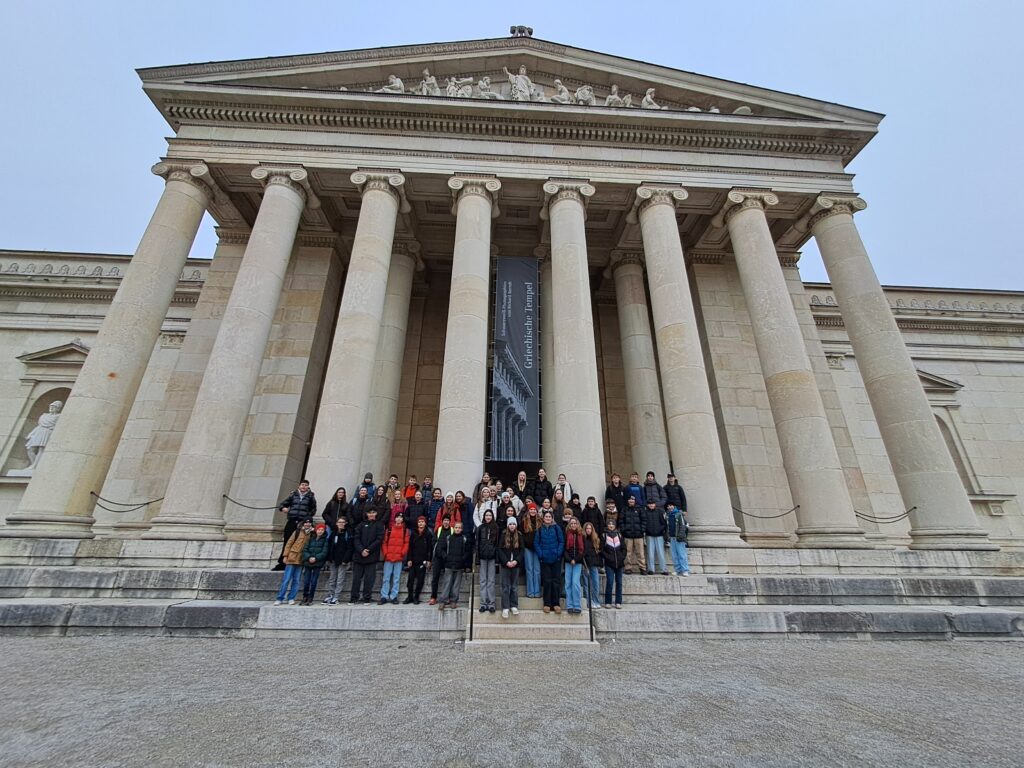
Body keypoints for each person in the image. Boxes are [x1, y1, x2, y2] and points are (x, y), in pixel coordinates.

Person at [275, 480, 317, 570]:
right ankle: (283, 562)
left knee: (300, 542)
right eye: (302, 485)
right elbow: (282, 504)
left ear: (308, 487)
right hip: (292, 520)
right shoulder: (293, 495)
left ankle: (297, 562)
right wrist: (283, 508)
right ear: (299, 486)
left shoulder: (310, 497)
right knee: (287, 541)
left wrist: (307, 517)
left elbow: (313, 509)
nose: (304, 486)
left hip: (302, 522)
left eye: (306, 485)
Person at [349, 508, 384, 604]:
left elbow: (379, 539)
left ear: (376, 513)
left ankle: (367, 597)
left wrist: (368, 550)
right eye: (369, 513)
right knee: (356, 579)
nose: (371, 514)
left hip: (371, 556)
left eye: (373, 512)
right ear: (366, 514)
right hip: (359, 556)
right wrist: (361, 550)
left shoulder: (379, 525)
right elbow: (356, 538)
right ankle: (354, 597)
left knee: (369, 579)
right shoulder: (361, 524)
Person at [275, 519, 313, 604]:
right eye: (306, 523)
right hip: (292, 557)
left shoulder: (311, 534)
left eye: (309, 523)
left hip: (301, 559)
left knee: (296, 580)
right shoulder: (297, 532)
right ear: (303, 523)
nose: (307, 524)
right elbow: (289, 544)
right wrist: (285, 556)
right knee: (286, 579)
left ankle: (291, 597)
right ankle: (280, 598)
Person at [534, 510, 565, 613]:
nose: (548, 518)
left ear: (552, 518)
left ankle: (556, 604)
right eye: (546, 517)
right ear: (543, 518)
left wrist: (558, 553)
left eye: (549, 517)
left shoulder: (557, 528)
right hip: (545, 559)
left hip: (556, 559)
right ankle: (547, 603)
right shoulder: (539, 530)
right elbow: (536, 543)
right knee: (547, 581)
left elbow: (561, 541)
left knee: (556, 581)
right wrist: (541, 554)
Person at [437, 521, 469, 610]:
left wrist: (463, 559)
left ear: (462, 529)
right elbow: (442, 549)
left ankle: (453, 601)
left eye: (459, 528)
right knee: (447, 583)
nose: (457, 529)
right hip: (449, 564)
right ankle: (443, 600)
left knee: (456, 585)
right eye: (456, 527)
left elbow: (467, 551)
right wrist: (445, 557)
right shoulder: (448, 538)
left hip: (459, 565)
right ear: (453, 528)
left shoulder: (464, 539)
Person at [379, 513, 409, 604]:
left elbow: (406, 543)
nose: (399, 519)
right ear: (395, 519)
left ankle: (394, 596)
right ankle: (384, 596)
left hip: (398, 558)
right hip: (389, 557)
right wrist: (386, 553)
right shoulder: (389, 529)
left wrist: (402, 553)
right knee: (386, 578)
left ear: (402, 520)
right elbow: (384, 542)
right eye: (397, 517)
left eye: (401, 517)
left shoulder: (405, 530)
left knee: (396, 579)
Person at [323, 515, 353, 605]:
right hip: (333, 559)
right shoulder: (333, 533)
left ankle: (336, 597)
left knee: (340, 579)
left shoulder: (348, 533)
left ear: (345, 523)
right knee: (332, 578)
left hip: (342, 560)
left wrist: (346, 559)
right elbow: (330, 546)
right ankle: (330, 595)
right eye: (339, 522)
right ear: (336, 523)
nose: (341, 524)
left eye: (343, 522)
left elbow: (350, 548)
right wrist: (329, 558)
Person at [404, 516, 434, 604]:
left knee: (420, 581)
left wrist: (429, 560)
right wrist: (409, 559)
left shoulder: (428, 533)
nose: (421, 523)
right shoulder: (413, 533)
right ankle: (410, 596)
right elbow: (410, 547)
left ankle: (416, 597)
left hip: (422, 561)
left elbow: (430, 548)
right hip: (413, 560)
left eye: (422, 522)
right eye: (419, 522)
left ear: (425, 523)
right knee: (410, 580)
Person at [498, 516, 523, 618]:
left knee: (514, 586)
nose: (512, 526)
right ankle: (505, 607)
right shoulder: (503, 535)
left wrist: (516, 561)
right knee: (505, 586)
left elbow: (522, 550)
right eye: (510, 524)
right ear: (508, 525)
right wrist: (506, 561)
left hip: (515, 564)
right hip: (506, 564)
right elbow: (499, 549)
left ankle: (514, 605)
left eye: (513, 524)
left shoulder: (519, 535)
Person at [475, 508, 499, 613]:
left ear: (492, 517)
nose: (488, 517)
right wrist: (477, 557)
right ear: (484, 517)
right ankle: (483, 603)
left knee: (491, 581)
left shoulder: (496, 528)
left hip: (492, 557)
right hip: (483, 557)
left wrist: (497, 558)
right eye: (486, 515)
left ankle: (491, 604)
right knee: (483, 580)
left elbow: (497, 544)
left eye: (490, 515)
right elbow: (477, 543)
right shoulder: (480, 528)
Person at [300, 522, 329, 605]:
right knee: (306, 581)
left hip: (317, 563)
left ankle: (310, 598)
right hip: (308, 562)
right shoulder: (310, 539)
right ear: (316, 530)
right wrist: (309, 557)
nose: (320, 531)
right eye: (319, 529)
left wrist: (315, 558)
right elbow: (305, 549)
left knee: (313, 582)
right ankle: (305, 597)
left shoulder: (325, 540)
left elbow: (324, 552)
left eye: (322, 530)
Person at [602, 518, 627, 608]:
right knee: (610, 582)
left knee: (619, 583)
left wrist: (621, 557)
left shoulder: (619, 535)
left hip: (619, 563)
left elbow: (624, 549)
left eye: (612, 524)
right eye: (609, 524)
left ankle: (618, 602)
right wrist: (608, 557)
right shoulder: (604, 535)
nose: (611, 525)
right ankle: (608, 602)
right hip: (609, 564)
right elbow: (602, 550)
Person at [519, 502, 542, 598]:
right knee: (529, 569)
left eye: (534, 509)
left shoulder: (540, 521)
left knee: (537, 570)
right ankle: (530, 591)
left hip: (537, 548)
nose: (532, 511)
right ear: (528, 511)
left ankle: (537, 591)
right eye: (531, 509)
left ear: (536, 511)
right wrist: (525, 544)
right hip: (528, 548)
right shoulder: (524, 521)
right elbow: (521, 535)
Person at [429, 515, 453, 605]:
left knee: (448, 579)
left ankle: (447, 597)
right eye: (444, 520)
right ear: (442, 521)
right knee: (435, 578)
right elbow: (434, 542)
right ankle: (433, 597)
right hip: (438, 557)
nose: (446, 522)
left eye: (447, 520)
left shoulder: (452, 530)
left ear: (450, 522)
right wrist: (440, 553)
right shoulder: (438, 530)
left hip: (448, 558)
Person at [563, 517, 585, 614]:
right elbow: (564, 549)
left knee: (575, 583)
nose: (573, 525)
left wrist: (576, 560)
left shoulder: (581, 535)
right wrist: (569, 559)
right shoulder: (566, 534)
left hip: (577, 562)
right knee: (568, 584)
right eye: (571, 523)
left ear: (577, 524)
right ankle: (570, 605)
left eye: (574, 523)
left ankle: (577, 605)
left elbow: (583, 550)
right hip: (568, 562)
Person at [620, 495, 647, 574]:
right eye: (630, 499)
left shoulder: (640, 509)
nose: (631, 501)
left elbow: (644, 520)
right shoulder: (624, 509)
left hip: (639, 535)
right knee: (628, 553)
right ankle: (628, 568)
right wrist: (624, 530)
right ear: (628, 501)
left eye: (632, 499)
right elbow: (621, 521)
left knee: (640, 553)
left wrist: (642, 530)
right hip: (628, 535)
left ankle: (642, 568)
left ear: (635, 501)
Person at [642, 498, 668, 575]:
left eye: (652, 504)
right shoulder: (645, 512)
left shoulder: (660, 511)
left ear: (655, 504)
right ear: (647, 505)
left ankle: (664, 569)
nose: (651, 505)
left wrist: (660, 530)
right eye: (650, 504)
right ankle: (651, 569)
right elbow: (644, 523)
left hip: (659, 535)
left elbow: (664, 523)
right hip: (649, 535)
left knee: (661, 553)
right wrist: (647, 530)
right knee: (650, 553)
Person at [666, 503, 691, 577]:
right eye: (668, 506)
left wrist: (680, 536)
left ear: (674, 506)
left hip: (679, 538)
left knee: (682, 555)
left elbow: (683, 526)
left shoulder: (679, 514)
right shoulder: (667, 515)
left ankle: (685, 570)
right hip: (672, 538)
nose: (669, 507)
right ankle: (678, 570)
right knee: (674, 555)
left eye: (671, 505)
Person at [582, 521, 603, 609]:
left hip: (594, 564)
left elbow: (599, 552)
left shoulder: (596, 539)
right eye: (587, 528)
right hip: (585, 564)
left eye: (590, 528)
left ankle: (596, 601)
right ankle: (588, 602)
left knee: (595, 583)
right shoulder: (582, 539)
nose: (588, 530)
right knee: (586, 584)